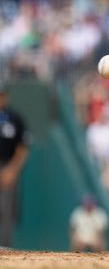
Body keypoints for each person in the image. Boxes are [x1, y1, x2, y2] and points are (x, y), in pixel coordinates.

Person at [0, 86, 29, 247]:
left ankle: (4, 249)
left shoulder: (14, 117)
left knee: (6, 211)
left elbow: (23, 146)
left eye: (2, 95)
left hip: (7, 166)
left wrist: (12, 169)